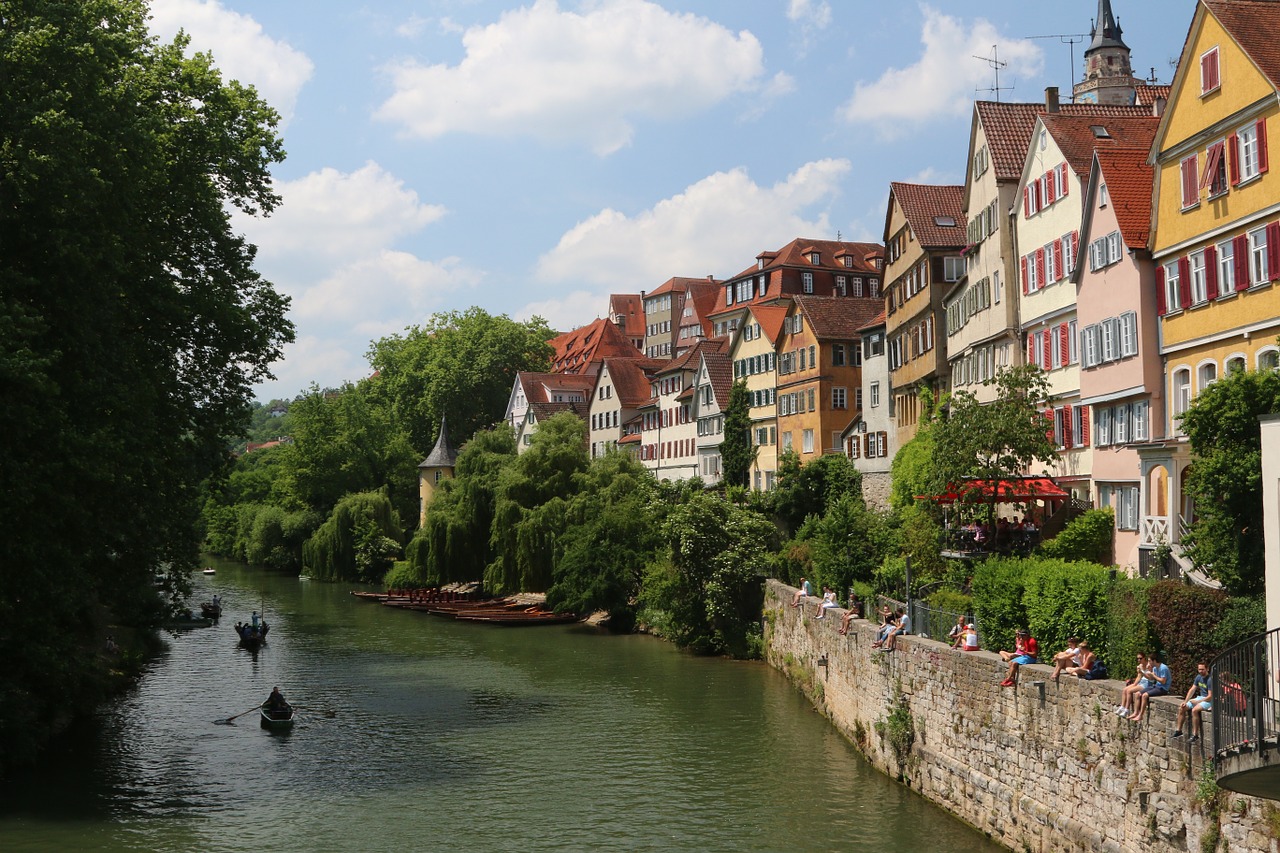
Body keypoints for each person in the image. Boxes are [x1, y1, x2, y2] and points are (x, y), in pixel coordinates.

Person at [1172, 661, 1212, 743]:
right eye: (1199, 669)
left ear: (1207, 669)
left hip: (1209, 700)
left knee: (1194, 710)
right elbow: (1192, 689)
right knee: (1182, 708)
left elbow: (1210, 696)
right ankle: (1178, 730)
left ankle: (1195, 734)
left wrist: (1197, 702)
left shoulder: (1210, 680)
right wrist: (1185, 701)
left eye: (1202, 669)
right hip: (1200, 698)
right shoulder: (1198, 677)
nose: (1200, 671)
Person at [1130, 653, 1171, 722]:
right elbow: (1151, 679)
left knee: (1145, 695)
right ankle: (1135, 713)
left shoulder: (1163, 668)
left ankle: (1141, 715)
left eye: (1149, 661)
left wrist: (1153, 675)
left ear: (1154, 661)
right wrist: (1143, 672)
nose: (1148, 662)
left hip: (1163, 688)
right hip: (1156, 686)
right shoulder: (1155, 668)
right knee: (1137, 694)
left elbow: (1163, 681)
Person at [1115, 653, 1152, 718]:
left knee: (1129, 691)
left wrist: (1142, 671)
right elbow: (1139, 677)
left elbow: (1149, 677)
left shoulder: (1148, 666)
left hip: (1147, 683)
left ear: (1144, 658)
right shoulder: (1140, 666)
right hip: (1141, 682)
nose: (1139, 660)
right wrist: (1134, 684)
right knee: (1125, 689)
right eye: (1137, 658)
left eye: (1140, 658)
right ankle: (1122, 707)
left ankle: (1127, 709)